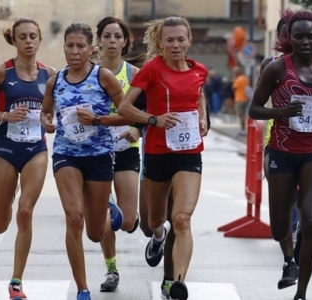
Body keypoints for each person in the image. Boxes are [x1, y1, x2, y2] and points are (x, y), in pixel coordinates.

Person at [249, 10, 312, 300]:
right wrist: (281, 112)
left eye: (311, 36)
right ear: (289, 39)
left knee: (310, 220)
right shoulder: (276, 69)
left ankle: (302, 293)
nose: (305, 42)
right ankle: (290, 247)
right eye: (299, 37)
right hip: (282, 152)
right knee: (280, 228)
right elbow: (254, 109)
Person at [0, 17, 56, 300]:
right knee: (0, 224)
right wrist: (4, 115)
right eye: (23, 37)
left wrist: (50, 122)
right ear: (14, 41)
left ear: (40, 40)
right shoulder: (1, 72)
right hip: (5, 147)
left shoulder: (50, 75)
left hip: (35, 149)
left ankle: (16, 282)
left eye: (33, 36)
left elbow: (54, 114)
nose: (28, 41)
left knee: (25, 212)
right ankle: (10, 189)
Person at [118, 16, 209, 300]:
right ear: (160, 43)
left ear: (189, 41)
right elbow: (124, 107)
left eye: (181, 39)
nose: (176, 45)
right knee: (154, 222)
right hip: (157, 154)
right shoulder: (151, 69)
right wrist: (153, 120)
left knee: (181, 218)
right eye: (169, 40)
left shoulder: (199, 71)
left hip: (189, 154)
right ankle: (158, 237)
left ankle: (176, 283)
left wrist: (203, 118)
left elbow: (199, 95)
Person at [40, 22, 127, 300]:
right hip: (66, 154)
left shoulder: (103, 77)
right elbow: (45, 112)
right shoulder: (55, 81)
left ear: (91, 49)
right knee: (74, 218)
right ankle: (82, 288)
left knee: (94, 232)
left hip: (99, 155)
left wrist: (98, 120)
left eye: (80, 46)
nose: (74, 51)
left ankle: (107, 209)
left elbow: (128, 114)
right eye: (69, 45)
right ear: (63, 47)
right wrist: (48, 122)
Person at [95, 16, 142, 292]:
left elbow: (147, 111)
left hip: (126, 149)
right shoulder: (90, 73)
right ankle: (111, 271)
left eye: (117, 36)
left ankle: (115, 208)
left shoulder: (134, 74)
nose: (112, 41)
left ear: (125, 42)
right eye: (107, 36)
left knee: (125, 221)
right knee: (103, 221)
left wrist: (137, 129)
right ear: (99, 40)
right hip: (96, 151)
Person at [258, 8, 300, 290]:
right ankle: (289, 258)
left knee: (307, 208)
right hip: (276, 144)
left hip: (311, 145)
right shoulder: (270, 64)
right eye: (285, 33)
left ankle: (299, 252)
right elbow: (257, 106)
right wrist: (284, 111)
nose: (289, 39)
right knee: (283, 207)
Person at [232, 66, 250, 136]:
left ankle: (242, 130)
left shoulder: (237, 80)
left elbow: (234, 88)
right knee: (245, 115)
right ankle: (244, 129)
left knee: (241, 115)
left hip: (239, 99)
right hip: (246, 99)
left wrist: (234, 79)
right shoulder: (246, 78)